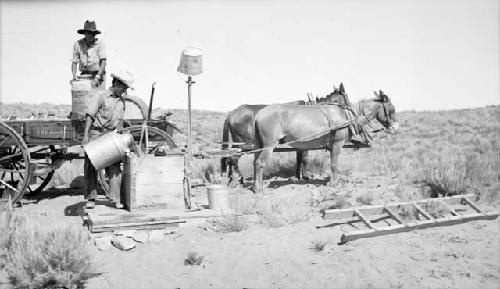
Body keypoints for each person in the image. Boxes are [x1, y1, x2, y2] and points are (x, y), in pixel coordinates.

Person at [82, 70, 134, 209]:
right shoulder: (101, 96)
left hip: (112, 136)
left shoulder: (122, 102)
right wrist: (86, 136)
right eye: (123, 88)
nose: (124, 91)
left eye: (126, 89)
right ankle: (91, 199)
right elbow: (90, 115)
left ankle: (115, 198)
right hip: (97, 133)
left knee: (115, 166)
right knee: (91, 166)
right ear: (117, 84)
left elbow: (119, 122)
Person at [72, 20, 107, 89]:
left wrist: (98, 77)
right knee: (82, 96)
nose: (91, 35)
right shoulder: (77, 44)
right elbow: (74, 62)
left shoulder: (100, 44)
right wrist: (74, 77)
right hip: (84, 76)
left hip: (98, 74)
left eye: (93, 33)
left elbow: (103, 61)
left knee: (98, 97)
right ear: (84, 33)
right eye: (89, 33)